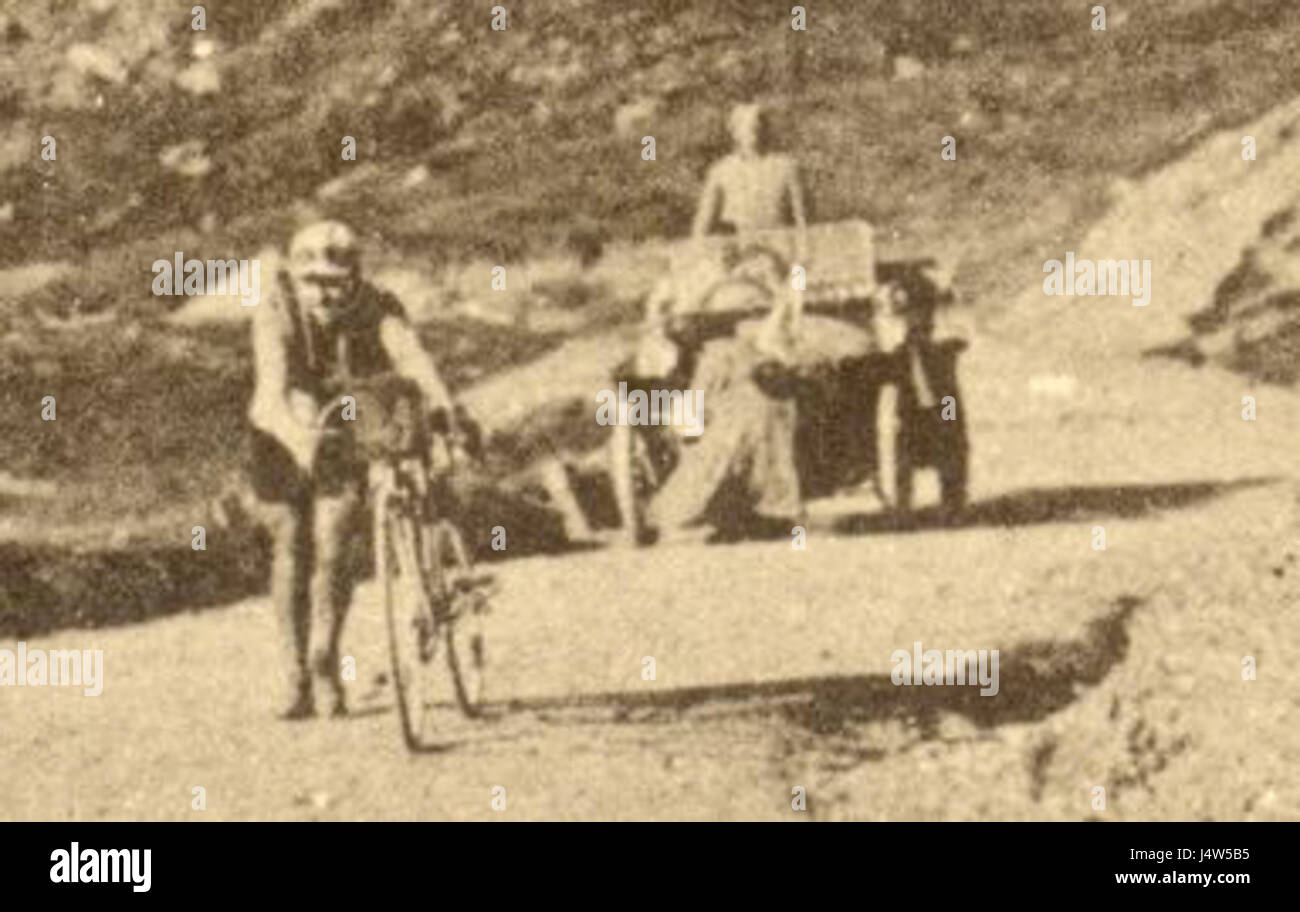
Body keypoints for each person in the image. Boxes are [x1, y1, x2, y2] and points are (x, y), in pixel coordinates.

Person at [247, 219, 473, 720]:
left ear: (355, 277)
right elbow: (270, 392)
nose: (324, 295)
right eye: (312, 282)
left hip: (351, 414)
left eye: (336, 282)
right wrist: (298, 438)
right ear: (292, 276)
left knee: (334, 538)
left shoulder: (378, 305)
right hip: (284, 421)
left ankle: (324, 660)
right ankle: (294, 676)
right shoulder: (275, 309)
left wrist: (443, 411)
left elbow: (414, 361)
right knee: (290, 539)